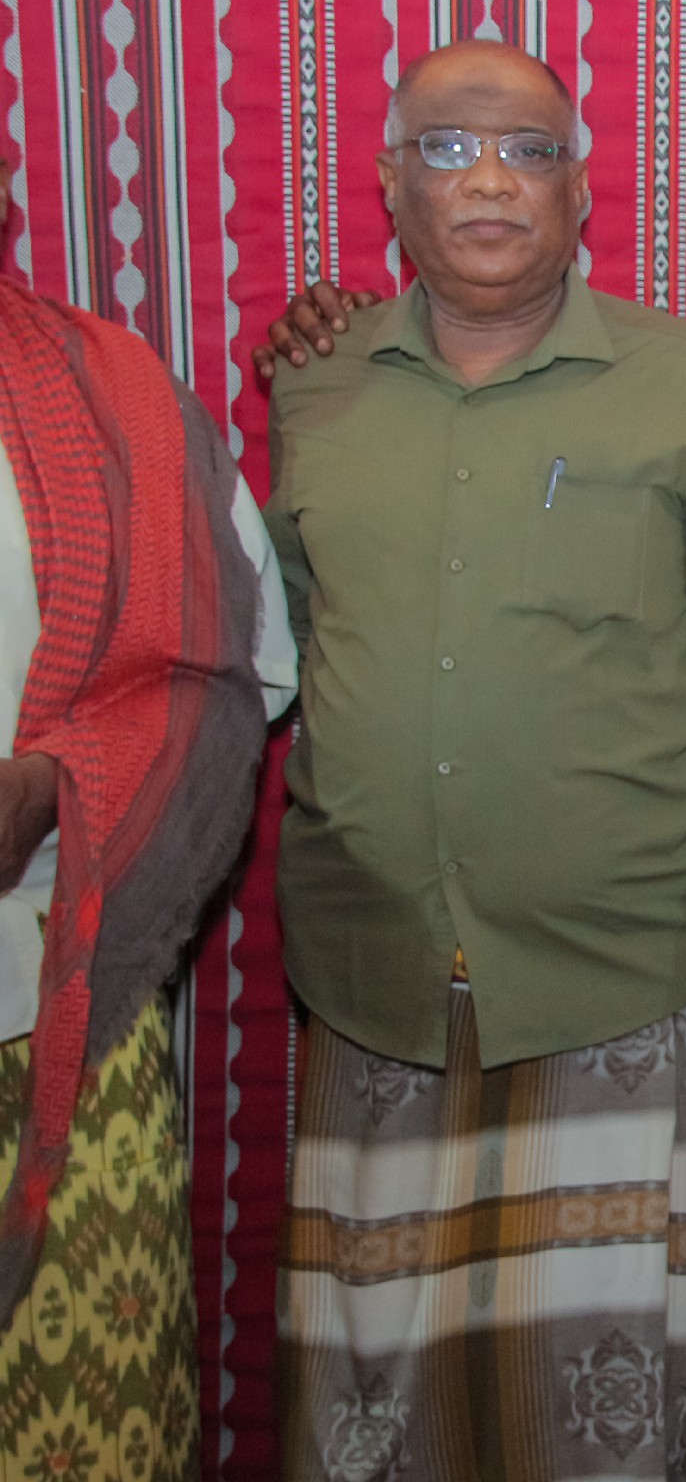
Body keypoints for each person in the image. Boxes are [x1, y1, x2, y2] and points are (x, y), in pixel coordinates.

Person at [265, 39, 686, 1482]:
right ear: (390, 182)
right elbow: (300, 649)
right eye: (450, 147)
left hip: (623, 990)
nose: (491, 180)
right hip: (377, 987)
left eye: (529, 150)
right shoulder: (318, 386)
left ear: (581, 191)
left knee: (604, 1418)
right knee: (374, 1409)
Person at [0, 172, 292, 1482]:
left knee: (84, 1429)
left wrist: (62, 786)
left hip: (64, 996)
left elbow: (233, 670)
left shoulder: (111, 392)